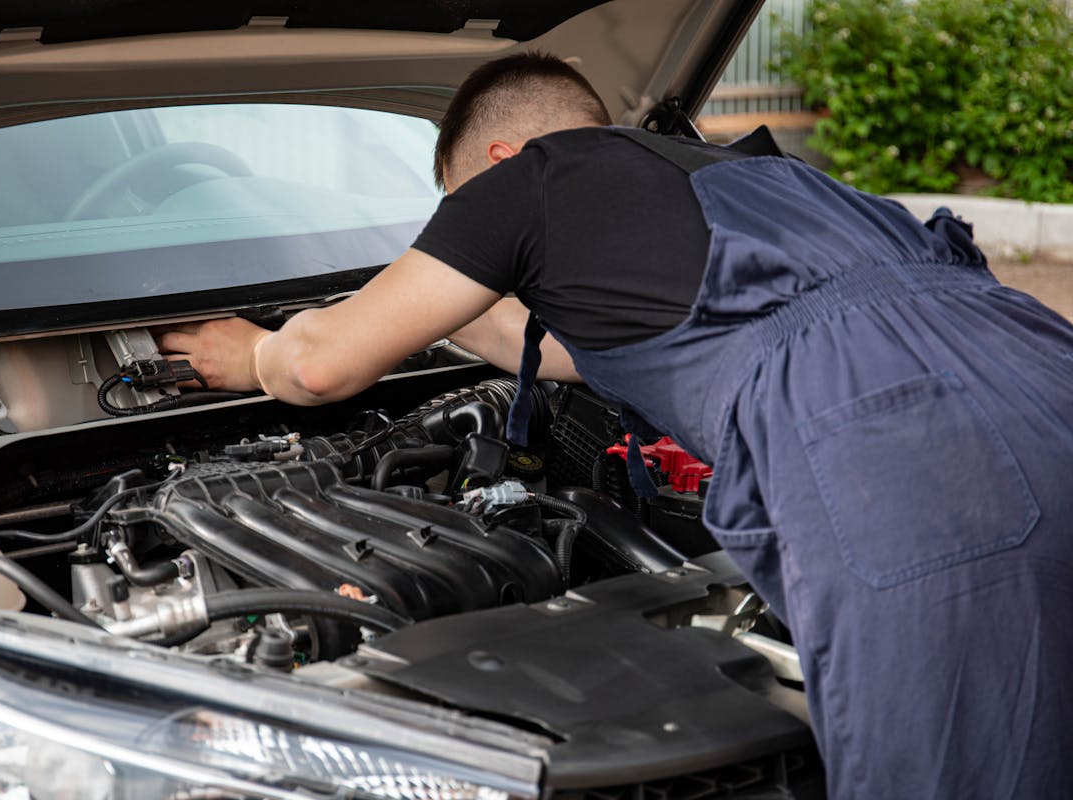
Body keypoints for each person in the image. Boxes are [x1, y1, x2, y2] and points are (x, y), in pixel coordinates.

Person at [158, 53, 1073, 797]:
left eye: (457, 208)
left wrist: (247, 356)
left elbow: (320, 364)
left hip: (902, 453)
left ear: (498, 164)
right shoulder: (762, 176)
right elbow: (556, 344)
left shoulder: (535, 180)